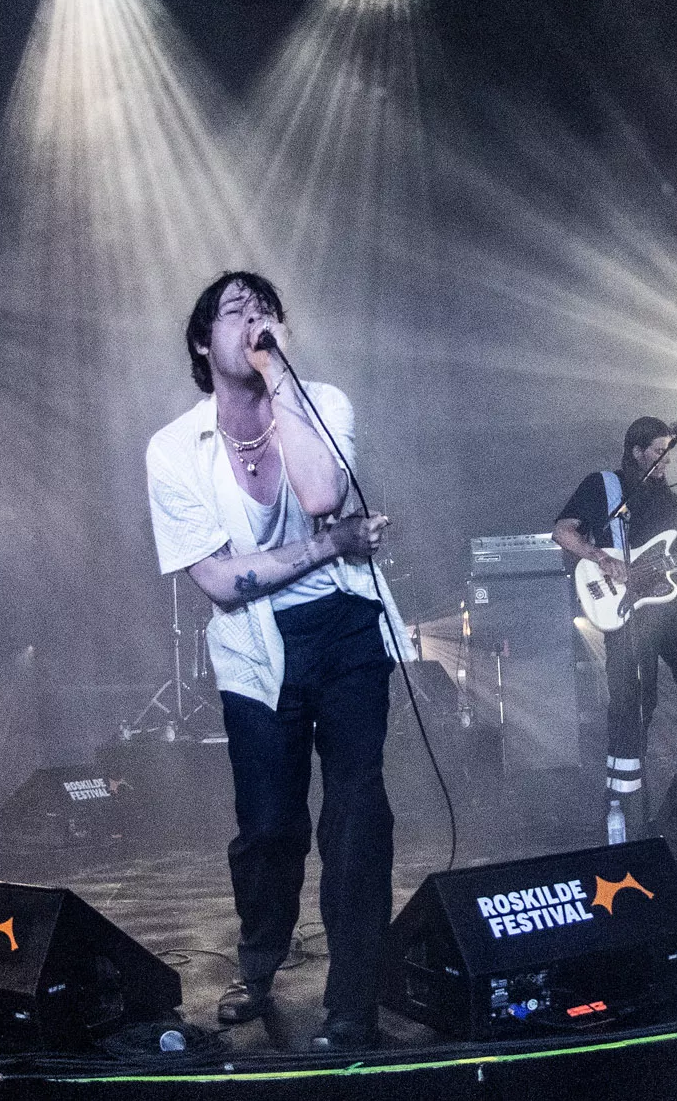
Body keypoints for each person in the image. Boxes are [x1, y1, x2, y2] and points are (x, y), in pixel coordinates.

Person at [145, 270, 412, 1053]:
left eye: (263, 309)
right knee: (269, 830)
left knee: (358, 816)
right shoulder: (173, 449)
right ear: (203, 342)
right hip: (254, 649)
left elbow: (323, 495)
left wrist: (280, 378)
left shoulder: (322, 403)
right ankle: (259, 961)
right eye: (234, 310)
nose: (252, 317)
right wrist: (331, 547)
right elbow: (219, 580)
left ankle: (351, 1005)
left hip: (349, 629)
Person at [553, 417, 677, 838]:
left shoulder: (671, 502)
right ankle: (621, 807)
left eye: (668, 452)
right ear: (637, 451)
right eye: (659, 451)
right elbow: (563, 532)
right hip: (628, 613)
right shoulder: (604, 486)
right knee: (634, 703)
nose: (666, 460)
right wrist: (602, 558)